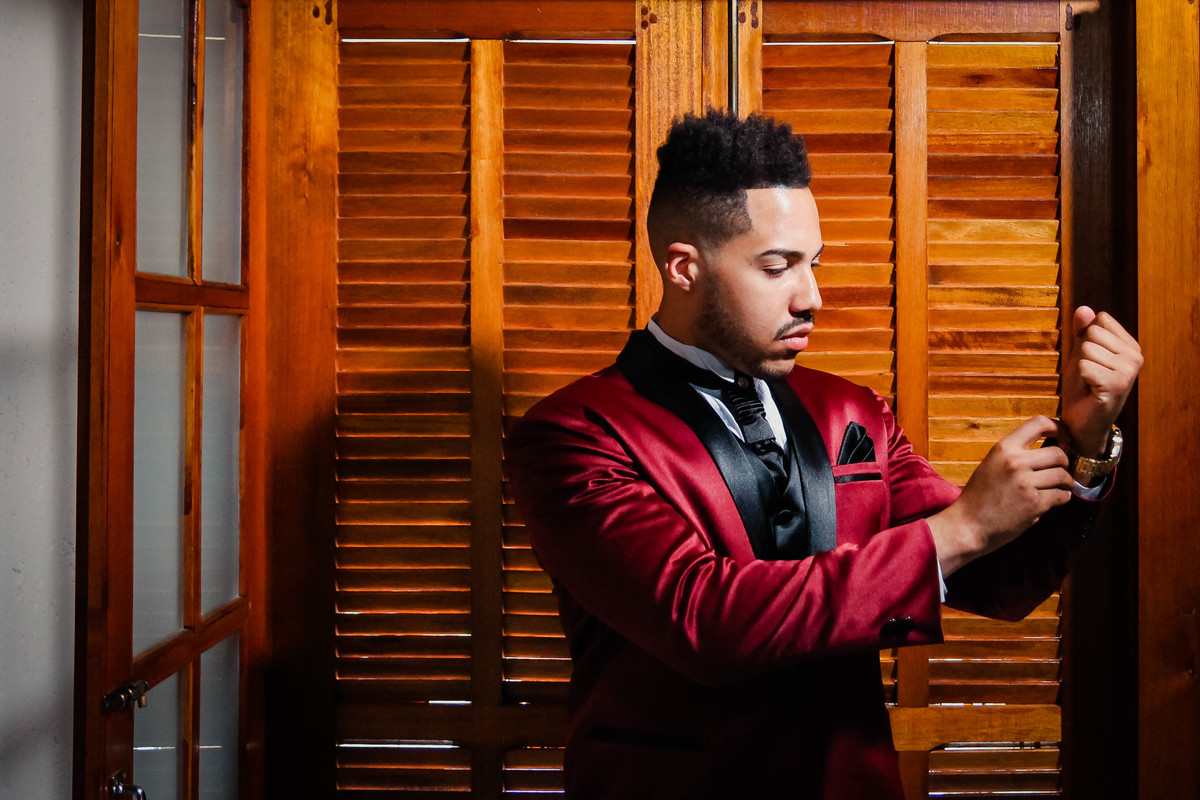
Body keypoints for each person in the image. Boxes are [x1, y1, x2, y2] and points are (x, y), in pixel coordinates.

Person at [504, 109, 1142, 800]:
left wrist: (1086, 444)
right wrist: (960, 528)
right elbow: (704, 622)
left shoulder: (853, 411)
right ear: (684, 267)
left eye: (814, 263)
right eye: (777, 267)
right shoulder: (572, 433)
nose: (812, 297)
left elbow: (1002, 581)